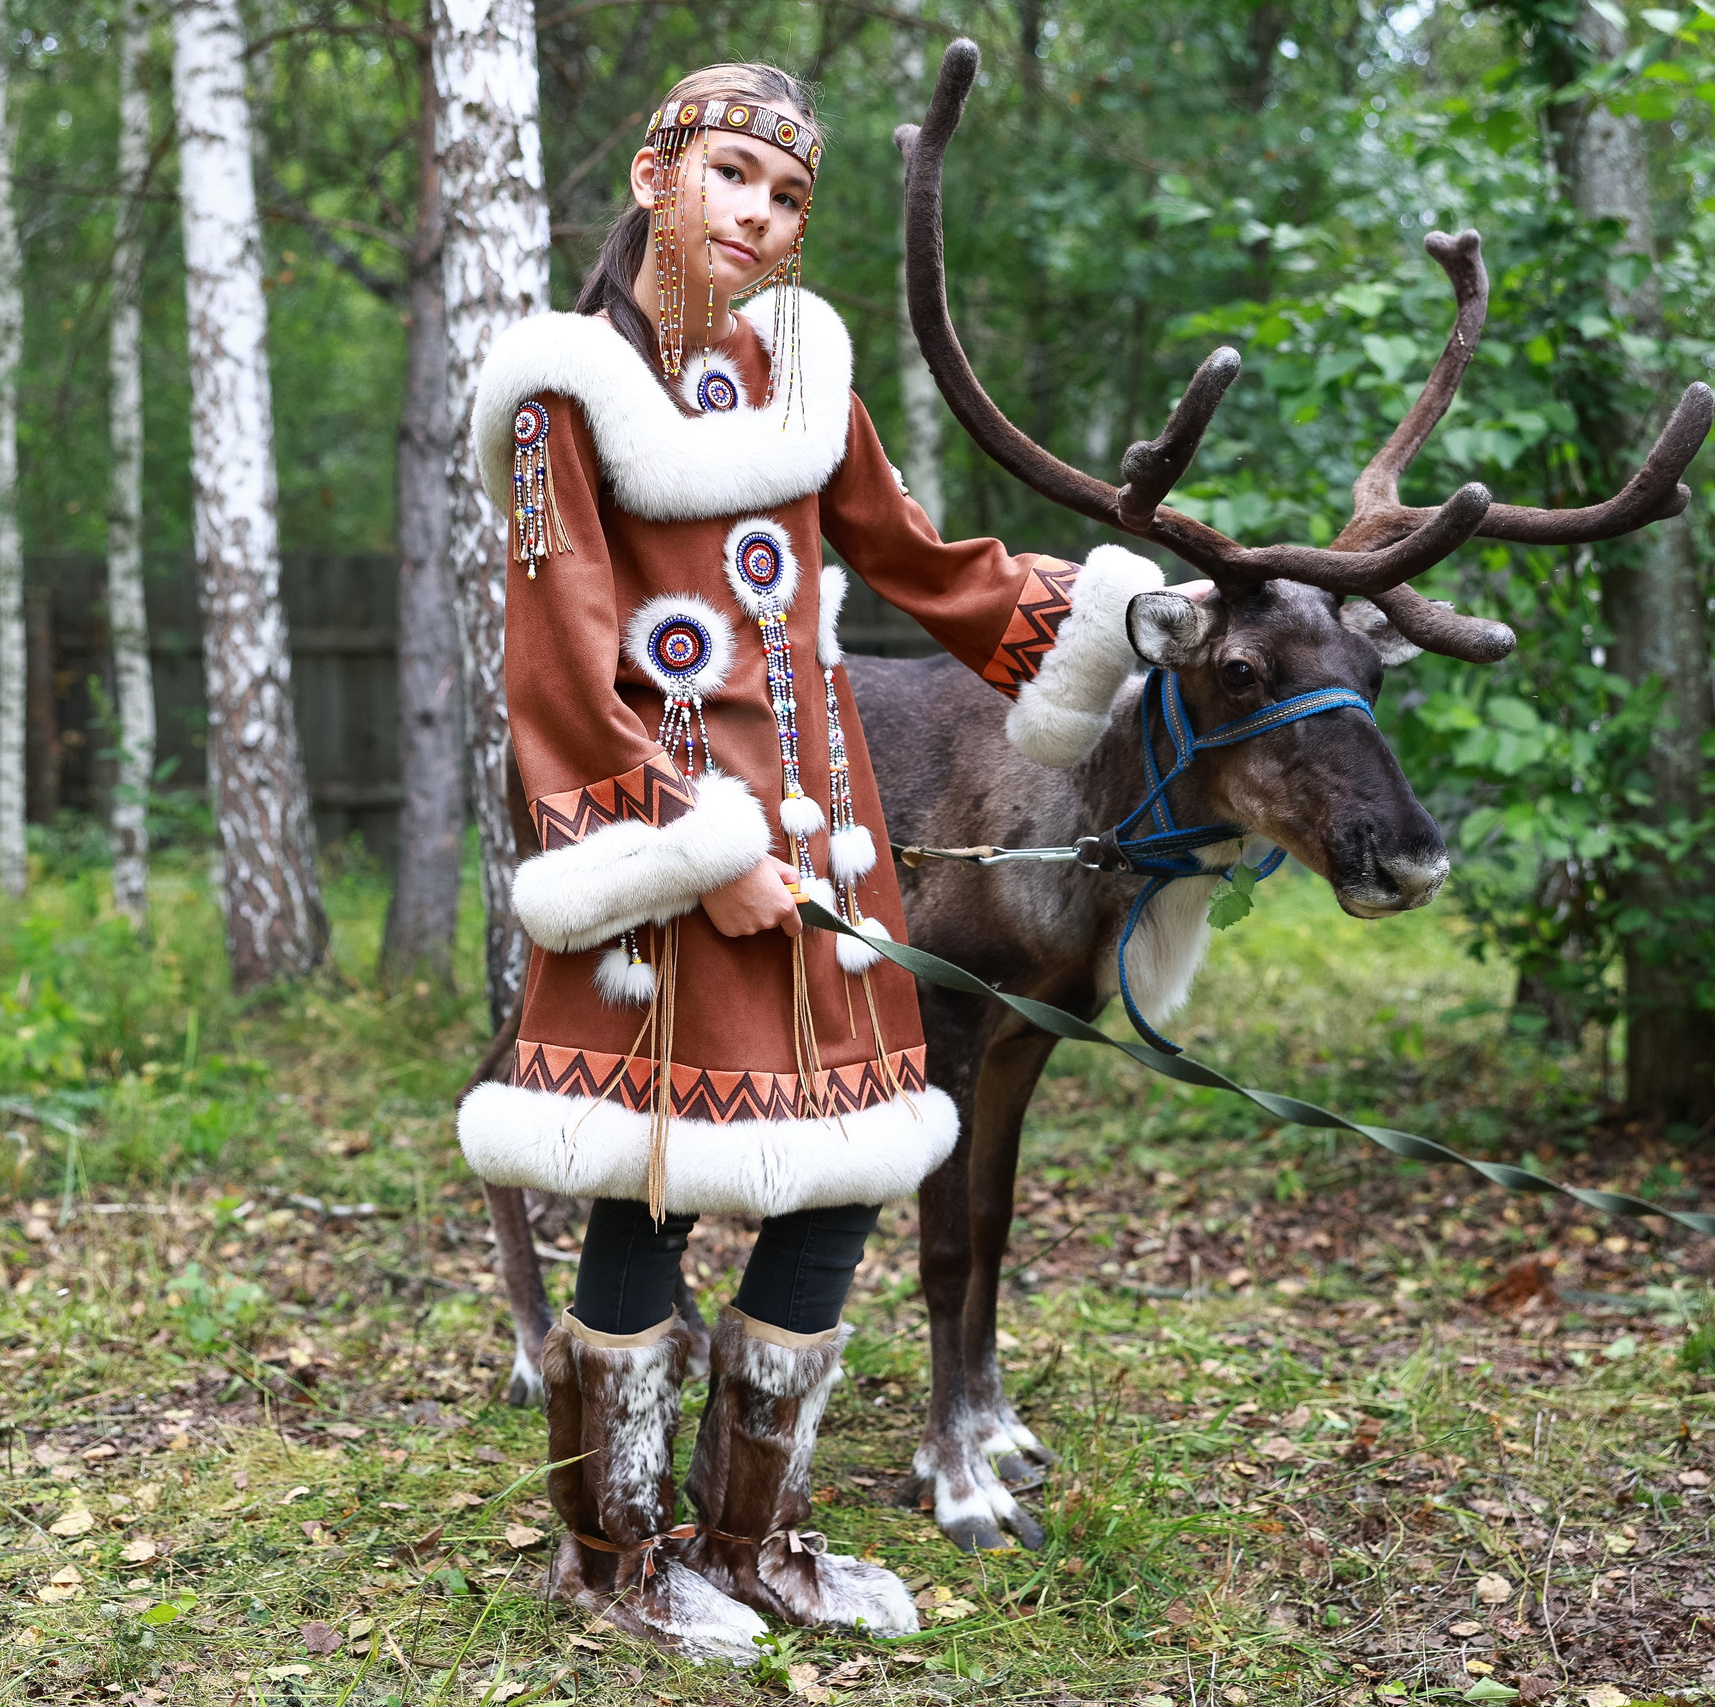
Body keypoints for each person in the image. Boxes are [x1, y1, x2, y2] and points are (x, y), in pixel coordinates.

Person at [458, 62, 1163, 1660]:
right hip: (665, 870)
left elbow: (924, 565)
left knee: (839, 1184)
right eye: (732, 179)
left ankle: (753, 1539)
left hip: (825, 866)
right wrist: (696, 851)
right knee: (651, 1198)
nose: (761, 219)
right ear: (656, 178)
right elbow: (558, 667)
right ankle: (614, 1566)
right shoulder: (564, 394)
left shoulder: (802, 379)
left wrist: (1112, 619)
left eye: (786, 199)